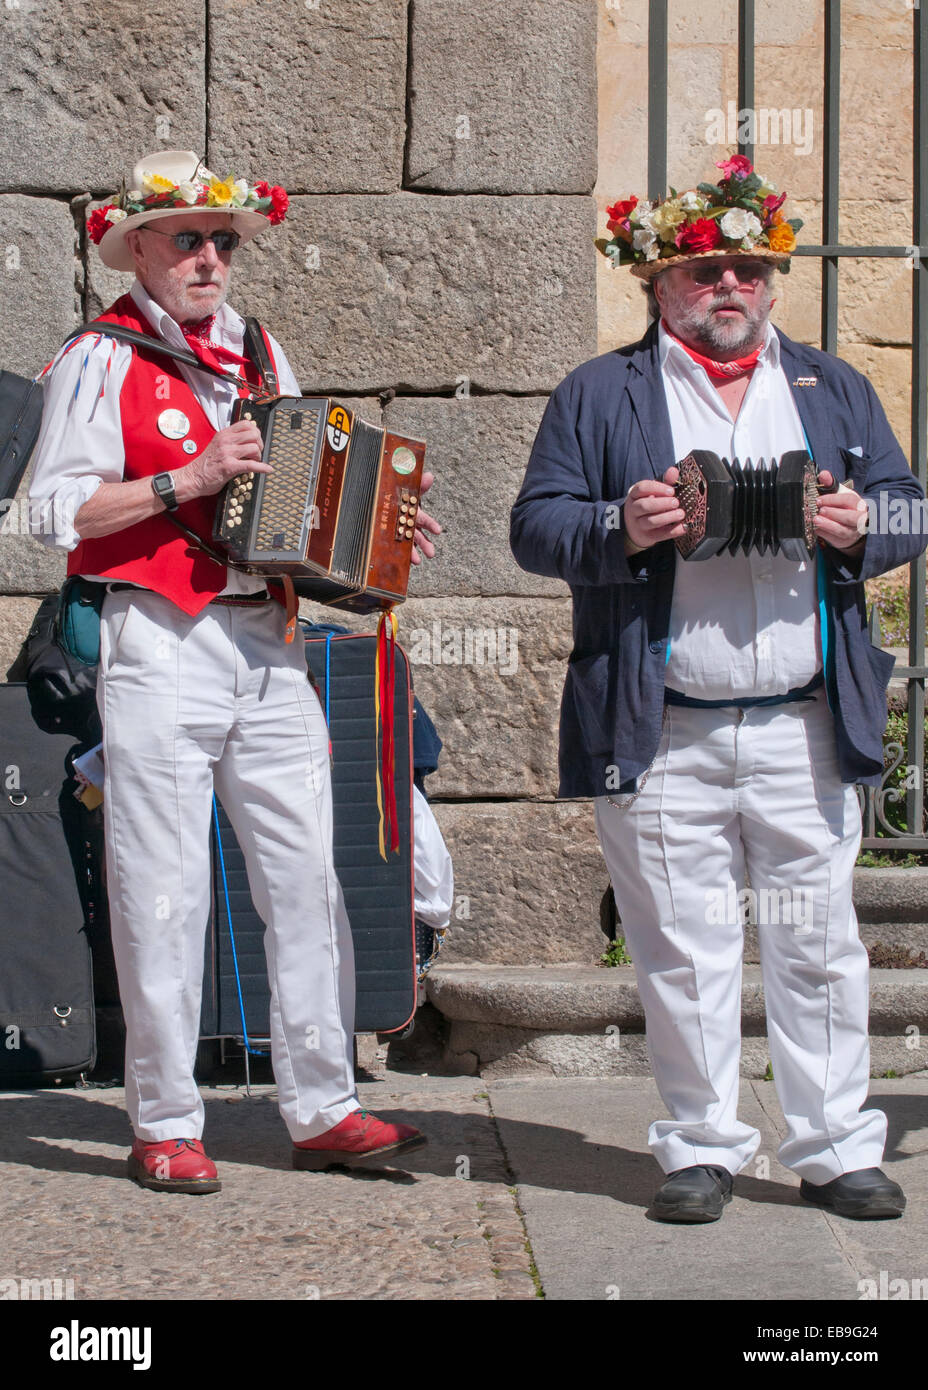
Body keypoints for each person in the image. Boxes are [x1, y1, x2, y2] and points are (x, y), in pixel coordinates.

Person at [510, 157, 926, 1223]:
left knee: (818, 943)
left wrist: (863, 527)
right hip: (664, 723)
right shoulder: (602, 392)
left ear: (773, 284)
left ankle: (833, 1145)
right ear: (657, 285)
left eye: (746, 268)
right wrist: (620, 524)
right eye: (703, 272)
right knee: (682, 946)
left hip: (802, 723)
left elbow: (907, 507)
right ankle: (700, 1144)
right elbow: (535, 526)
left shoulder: (830, 388)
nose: (727, 287)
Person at [29, 149, 441, 1194]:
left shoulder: (261, 349)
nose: (210, 257)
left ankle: (324, 1103)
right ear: (139, 249)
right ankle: (165, 1120)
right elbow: (49, 513)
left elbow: (305, 489)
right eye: (188, 239)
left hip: (269, 636)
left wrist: (378, 530)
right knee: (162, 891)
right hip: (159, 636)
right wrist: (186, 479)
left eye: (223, 240)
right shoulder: (97, 356)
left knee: (307, 876)